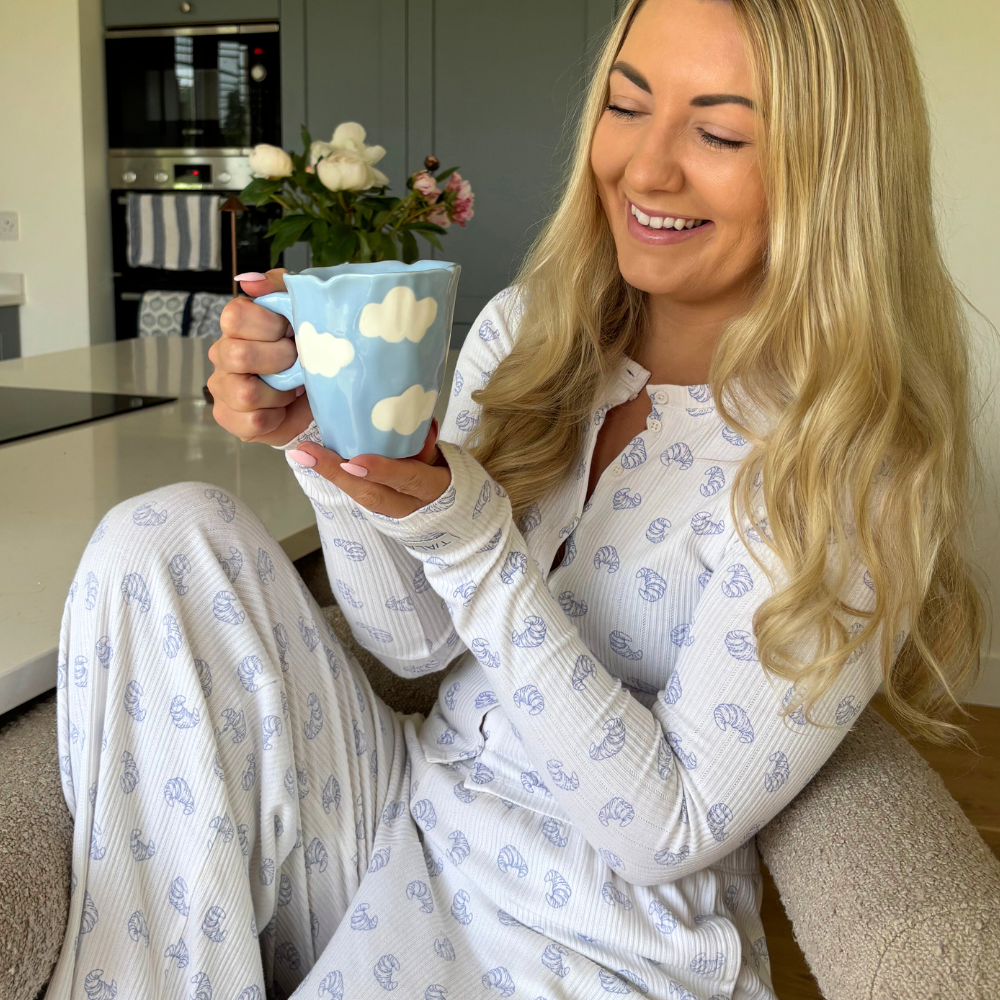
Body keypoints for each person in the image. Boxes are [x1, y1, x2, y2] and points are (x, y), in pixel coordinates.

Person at [48, 0, 987, 997]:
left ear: (834, 166)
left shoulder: (852, 457)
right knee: (163, 536)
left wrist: (473, 542)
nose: (645, 169)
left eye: (717, 133)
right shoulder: (528, 334)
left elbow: (671, 831)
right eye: (627, 107)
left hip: (600, 937)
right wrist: (330, 444)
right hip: (405, 825)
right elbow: (413, 643)